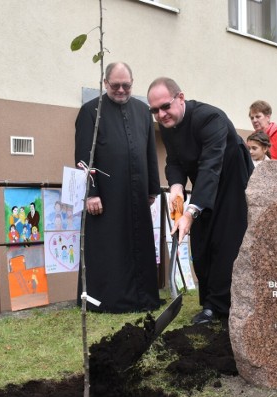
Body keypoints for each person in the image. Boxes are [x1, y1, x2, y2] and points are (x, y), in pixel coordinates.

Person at [148, 77, 254, 324]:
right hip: (205, 183)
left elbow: (210, 166)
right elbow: (174, 160)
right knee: (201, 241)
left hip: (231, 180)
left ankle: (223, 307)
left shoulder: (210, 118)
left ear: (181, 98)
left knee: (225, 241)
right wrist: (176, 192)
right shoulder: (168, 124)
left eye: (165, 106)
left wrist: (191, 211)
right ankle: (209, 302)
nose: (161, 114)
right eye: (155, 110)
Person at [74, 62, 161, 313]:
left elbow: (149, 152)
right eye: (115, 85)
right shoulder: (90, 111)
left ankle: (142, 298)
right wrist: (91, 192)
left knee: (138, 243)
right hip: (106, 195)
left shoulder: (143, 111)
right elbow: (83, 156)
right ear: (105, 83)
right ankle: (109, 300)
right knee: (110, 247)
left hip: (137, 192)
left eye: (126, 85)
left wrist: (152, 189)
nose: (121, 90)